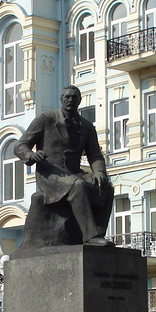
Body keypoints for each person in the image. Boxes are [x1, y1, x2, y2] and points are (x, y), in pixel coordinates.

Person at [14, 85, 114, 248]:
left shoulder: (87, 126)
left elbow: (95, 155)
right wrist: (31, 156)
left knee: (106, 187)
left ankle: (99, 233)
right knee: (79, 186)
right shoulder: (46, 119)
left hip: (75, 172)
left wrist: (99, 172)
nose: (70, 100)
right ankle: (90, 236)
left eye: (74, 97)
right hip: (51, 174)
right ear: (61, 99)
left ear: (79, 101)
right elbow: (20, 145)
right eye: (67, 97)